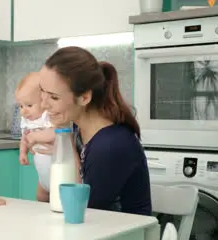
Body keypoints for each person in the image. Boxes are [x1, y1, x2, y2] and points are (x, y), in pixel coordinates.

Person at [25, 46, 152, 216]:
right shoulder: (79, 129)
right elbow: (48, 199)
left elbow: (78, 210)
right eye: (42, 91)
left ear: (84, 98)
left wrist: (66, 143)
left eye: (54, 97)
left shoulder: (110, 146)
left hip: (124, 239)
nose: (44, 104)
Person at [14, 72, 54, 202]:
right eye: (21, 106)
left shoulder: (48, 117)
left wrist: (36, 136)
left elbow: (57, 133)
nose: (23, 111)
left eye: (29, 105)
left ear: (44, 101)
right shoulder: (26, 121)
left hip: (57, 175)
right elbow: (24, 139)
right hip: (42, 178)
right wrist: (23, 153)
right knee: (40, 199)